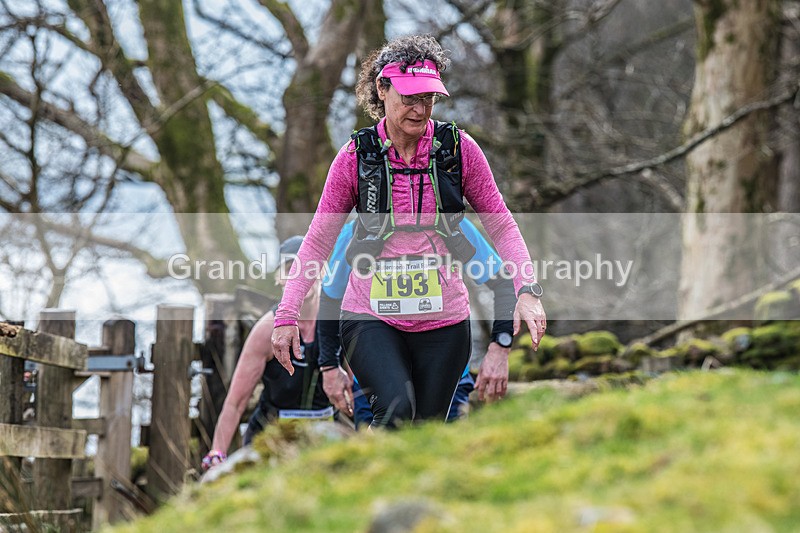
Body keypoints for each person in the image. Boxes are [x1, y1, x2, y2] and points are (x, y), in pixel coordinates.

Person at [272, 34, 546, 429]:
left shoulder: (458, 150)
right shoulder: (355, 156)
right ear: (382, 89)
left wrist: (527, 290)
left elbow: (501, 224)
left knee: (428, 429)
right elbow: (318, 240)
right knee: (396, 412)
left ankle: (414, 491)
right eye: (409, 98)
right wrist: (287, 313)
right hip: (369, 317)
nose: (420, 110)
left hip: (445, 320)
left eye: (429, 99)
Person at [317, 219, 518, 428]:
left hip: (447, 373)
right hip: (374, 383)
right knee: (391, 425)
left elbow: (503, 283)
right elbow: (331, 295)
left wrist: (500, 347)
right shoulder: (357, 228)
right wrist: (329, 366)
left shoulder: (453, 223)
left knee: (429, 447)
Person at [202, 236, 332, 471]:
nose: (302, 277)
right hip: (270, 437)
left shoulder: (336, 323)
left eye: (309, 267)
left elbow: (359, 390)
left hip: (324, 437)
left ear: (322, 272)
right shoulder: (266, 330)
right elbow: (235, 402)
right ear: (280, 279)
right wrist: (217, 453)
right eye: (292, 269)